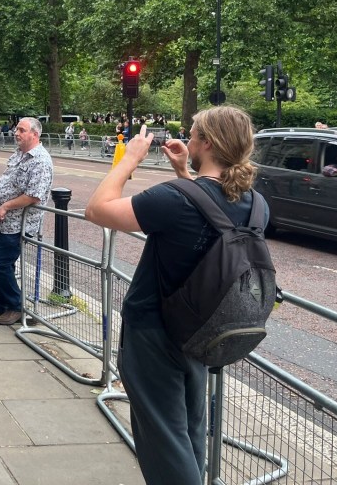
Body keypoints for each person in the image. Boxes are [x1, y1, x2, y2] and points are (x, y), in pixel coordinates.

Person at [84, 106, 269, 485]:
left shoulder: (174, 198)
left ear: (208, 143)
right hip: (204, 331)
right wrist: (187, 173)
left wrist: (129, 159)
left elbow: (96, 210)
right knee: (187, 431)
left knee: (164, 442)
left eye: (194, 133)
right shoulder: (256, 206)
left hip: (154, 333)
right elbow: (209, 214)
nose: (188, 137)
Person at [0, 117, 54, 326]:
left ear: (34, 134)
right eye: (17, 129)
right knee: (4, 264)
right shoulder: (20, 154)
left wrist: (5, 206)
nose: (16, 133)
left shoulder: (40, 160)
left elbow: (34, 195)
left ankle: (16, 306)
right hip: (3, 222)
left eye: (22, 130)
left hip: (19, 223)